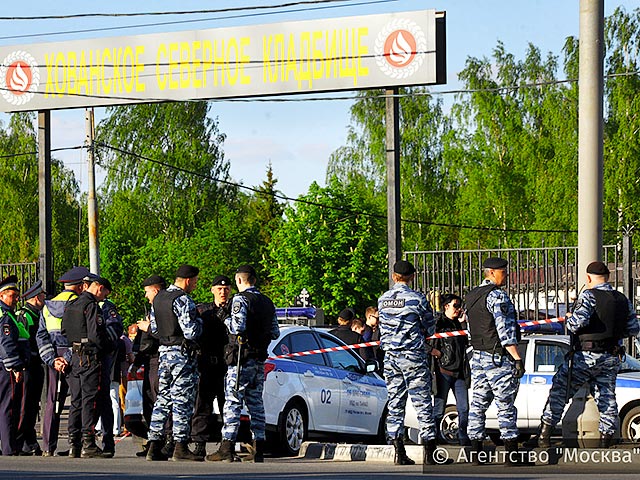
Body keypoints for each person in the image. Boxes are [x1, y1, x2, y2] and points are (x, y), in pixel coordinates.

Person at [538, 261, 639, 449]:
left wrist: (569, 318)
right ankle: (605, 440)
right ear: (608, 277)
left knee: (560, 390)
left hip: (585, 356)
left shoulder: (589, 296)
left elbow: (575, 325)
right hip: (611, 356)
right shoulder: (622, 299)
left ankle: (545, 434)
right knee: (607, 397)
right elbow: (633, 329)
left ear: (588, 278)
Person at [206, 265, 279, 463]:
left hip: (241, 359)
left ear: (239, 281)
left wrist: (226, 318)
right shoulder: (267, 302)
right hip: (259, 359)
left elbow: (238, 327)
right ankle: (259, 447)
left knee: (233, 402)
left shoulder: (240, 299)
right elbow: (275, 332)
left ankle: (227, 447)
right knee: (256, 404)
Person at [465, 257, 527, 465]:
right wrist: (517, 358)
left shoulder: (472, 295)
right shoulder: (497, 296)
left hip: (478, 356)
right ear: (491, 272)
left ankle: (475, 453)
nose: (506, 275)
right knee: (505, 404)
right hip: (497, 358)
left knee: (478, 404)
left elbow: (470, 330)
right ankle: (511, 455)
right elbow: (505, 331)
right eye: (503, 272)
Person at [378, 260, 439, 466]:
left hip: (390, 358)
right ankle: (430, 453)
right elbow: (430, 326)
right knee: (422, 403)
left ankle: (398, 451)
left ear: (394, 276)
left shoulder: (383, 299)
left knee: (395, 403)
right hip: (412, 356)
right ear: (412, 277)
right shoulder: (417, 298)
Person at [145, 265, 203, 462]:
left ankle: (153, 445)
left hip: (164, 353)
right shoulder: (182, 299)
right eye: (194, 282)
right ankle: (180, 446)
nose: (195, 285)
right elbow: (191, 331)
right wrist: (201, 322)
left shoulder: (159, 298)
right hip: (181, 354)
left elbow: (153, 327)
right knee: (182, 400)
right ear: (187, 280)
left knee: (162, 399)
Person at [36, 265, 90, 456]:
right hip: (75, 356)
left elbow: (41, 336)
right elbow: (81, 334)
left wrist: (52, 359)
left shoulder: (47, 306)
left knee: (52, 402)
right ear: (80, 286)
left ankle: (48, 447)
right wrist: (67, 357)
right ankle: (76, 444)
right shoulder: (80, 304)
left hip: (53, 357)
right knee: (78, 400)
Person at [61, 276, 113, 458]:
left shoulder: (72, 304)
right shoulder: (91, 306)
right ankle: (88, 444)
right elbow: (96, 335)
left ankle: (74, 443)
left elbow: (64, 331)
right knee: (91, 400)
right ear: (99, 288)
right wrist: (108, 346)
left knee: (76, 400)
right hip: (91, 357)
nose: (104, 297)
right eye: (105, 293)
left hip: (75, 354)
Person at [190, 275, 231, 457]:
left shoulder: (235, 310)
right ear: (212, 290)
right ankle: (199, 444)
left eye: (226, 289)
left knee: (228, 407)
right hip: (206, 363)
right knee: (202, 405)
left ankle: (227, 445)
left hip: (226, 365)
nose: (223, 292)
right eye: (219, 289)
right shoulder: (203, 310)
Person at [429, 293, 470, 446]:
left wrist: (463, 324)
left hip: (459, 372)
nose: (458, 309)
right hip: (443, 372)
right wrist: (435, 352)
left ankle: (462, 434)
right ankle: (434, 436)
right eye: (456, 306)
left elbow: (465, 343)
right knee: (439, 408)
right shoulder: (439, 323)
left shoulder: (458, 324)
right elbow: (424, 340)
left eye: (460, 306)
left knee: (464, 408)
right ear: (446, 306)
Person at [134, 275, 166, 458]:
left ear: (155, 290)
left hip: (159, 359)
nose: (146, 296)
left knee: (159, 401)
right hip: (149, 359)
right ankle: (152, 441)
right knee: (149, 403)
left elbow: (166, 333)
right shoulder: (155, 308)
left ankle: (161, 442)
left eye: (147, 291)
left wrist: (149, 327)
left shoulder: (162, 308)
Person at [15, 280, 47, 456]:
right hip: (28, 366)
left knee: (33, 405)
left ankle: (29, 441)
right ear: (36, 297)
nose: (44, 298)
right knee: (25, 405)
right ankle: (23, 441)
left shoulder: (36, 314)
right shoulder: (25, 315)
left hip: (36, 366)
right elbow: (24, 342)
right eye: (42, 295)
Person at [0, 275, 28, 456]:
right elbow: (6, 343)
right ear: (1, 295)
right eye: (13, 295)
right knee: (8, 407)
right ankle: (9, 448)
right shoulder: (5, 317)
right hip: (6, 367)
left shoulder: (7, 314)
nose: (16, 299)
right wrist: (15, 367)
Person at [364, 306, 384, 374]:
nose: (378, 321)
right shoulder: (366, 331)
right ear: (369, 317)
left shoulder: (376, 330)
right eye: (377, 318)